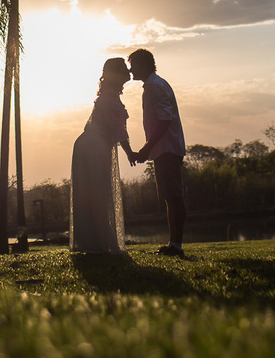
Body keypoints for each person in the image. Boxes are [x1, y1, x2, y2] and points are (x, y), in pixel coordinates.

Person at [69, 57, 136, 254]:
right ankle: (99, 243)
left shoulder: (109, 96)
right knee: (98, 194)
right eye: (124, 70)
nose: (128, 73)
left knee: (95, 194)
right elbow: (119, 129)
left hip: (90, 145)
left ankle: (98, 242)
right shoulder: (110, 98)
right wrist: (130, 153)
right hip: (93, 148)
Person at [129, 48, 187, 257]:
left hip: (167, 148)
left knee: (173, 196)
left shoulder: (155, 86)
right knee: (170, 197)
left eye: (133, 65)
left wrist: (147, 148)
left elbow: (165, 119)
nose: (131, 70)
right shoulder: (154, 85)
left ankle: (176, 246)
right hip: (164, 148)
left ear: (143, 65)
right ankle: (174, 244)